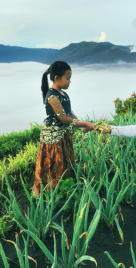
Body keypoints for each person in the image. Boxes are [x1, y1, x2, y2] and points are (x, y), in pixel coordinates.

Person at [34, 61, 94, 196]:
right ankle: (50, 191)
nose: (70, 81)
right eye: (67, 78)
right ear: (56, 78)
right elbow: (64, 119)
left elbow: (70, 114)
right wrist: (85, 124)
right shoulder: (52, 96)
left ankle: (64, 188)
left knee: (65, 160)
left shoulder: (63, 94)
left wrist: (83, 124)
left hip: (63, 134)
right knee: (55, 163)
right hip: (53, 137)